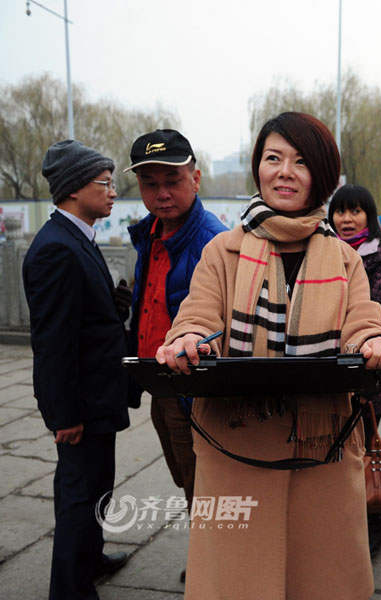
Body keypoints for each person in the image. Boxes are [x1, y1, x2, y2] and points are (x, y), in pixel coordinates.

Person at [155, 112, 381, 599]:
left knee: (322, 579)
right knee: (236, 582)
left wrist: (376, 342)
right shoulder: (221, 251)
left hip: (323, 449)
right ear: (259, 168)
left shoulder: (344, 258)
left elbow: (363, 320)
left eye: (299, 161)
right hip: (236, 445)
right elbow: (197, 316)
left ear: (321, 176)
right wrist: (187, 339)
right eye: (273, 158)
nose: (284, 171)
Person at [22, 140, 133, 599]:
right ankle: (69, 589)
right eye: (104, 184)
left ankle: (90, 558)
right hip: (80, 403)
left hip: (98, 394)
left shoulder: (76, 236)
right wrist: (64, 415)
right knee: (77, 494)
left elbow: (80, 314)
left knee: (98, 485)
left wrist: (113, 306)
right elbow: (52, 343)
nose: (112, 192)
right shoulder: (54, 250)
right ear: (72, 190)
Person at [124, 128, 227, 582]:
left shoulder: (213, 241)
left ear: (196, 178)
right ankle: (210, 559)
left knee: (205, 480)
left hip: (193, 386)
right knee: (186, 477)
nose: (161, 193)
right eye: (150, 183)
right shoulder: (150, 233)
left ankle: (214, 569)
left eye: (172, 179)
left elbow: (225, 322)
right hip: (159, 382)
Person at [328, 183, 381, 555]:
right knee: (341, 449)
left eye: (355, 211)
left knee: (363, 448)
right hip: (330, 369)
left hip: (368, 370)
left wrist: (366, 369)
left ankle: (377, 518)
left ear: (369, 216)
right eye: (340, 211)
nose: (346, 219)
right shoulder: (324, 252)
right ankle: (346, 517)